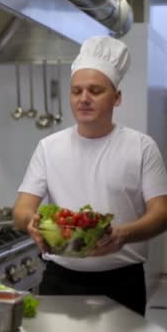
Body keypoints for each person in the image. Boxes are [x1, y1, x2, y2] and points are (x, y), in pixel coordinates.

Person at [13, 36, 167, 316]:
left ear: (117, 97)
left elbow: (162, 213)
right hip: (60, 279)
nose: (83, 99)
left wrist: (123, 234)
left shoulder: (141, 147)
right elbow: (22, 209)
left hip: (123, 282)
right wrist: (32, 223)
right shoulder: (49, 147)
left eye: (95, 91)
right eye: (76, 91)